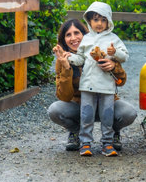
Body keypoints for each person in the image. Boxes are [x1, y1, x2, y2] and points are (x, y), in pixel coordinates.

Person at [47, 17, 137, 156]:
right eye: (68, 35)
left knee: (128, 112)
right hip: (81, 105)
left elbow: (121, 81)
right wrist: (66, 68)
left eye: (77, 33)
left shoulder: (102, 51)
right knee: (55, 110)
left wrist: (113, 67)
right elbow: (64, 96)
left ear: (85, 34)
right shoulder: (64, 59)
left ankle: (112, 134)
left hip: (107, 100)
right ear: (63, 39)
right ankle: (77, 134)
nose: (73, 38)